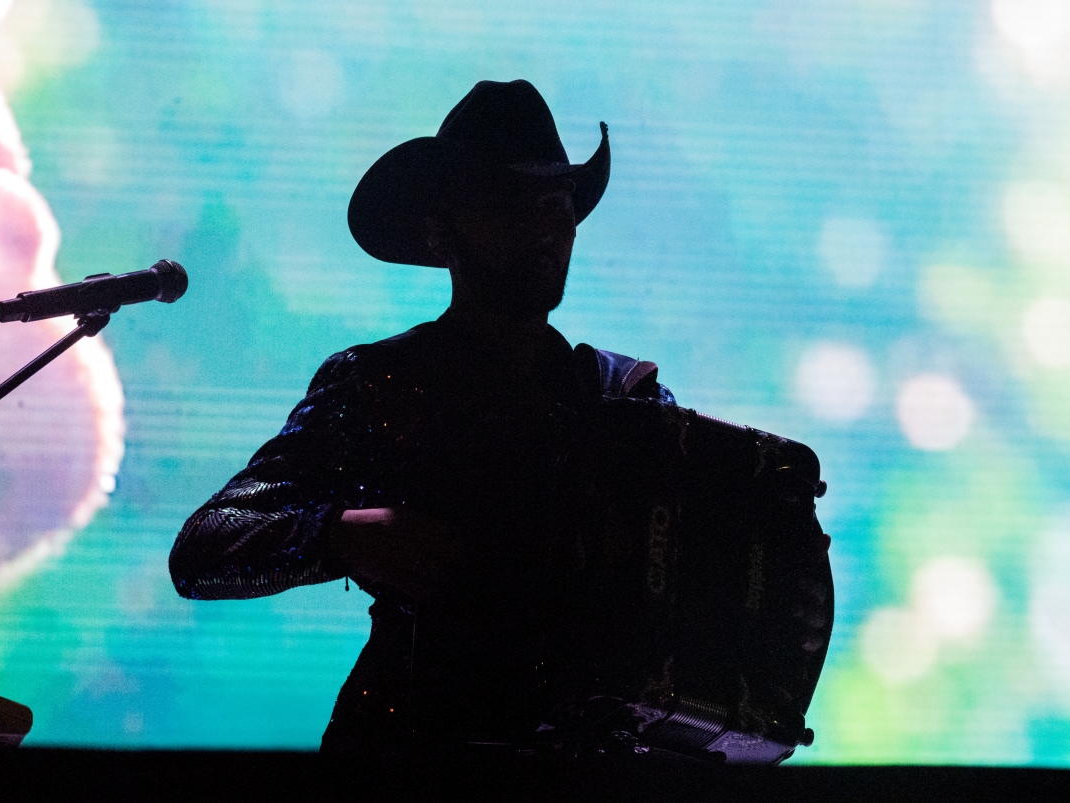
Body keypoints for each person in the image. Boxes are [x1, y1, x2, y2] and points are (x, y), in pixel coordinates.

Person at [168, 80, 828, 762]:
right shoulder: (374, 384)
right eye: (510, 204)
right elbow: (202, 550)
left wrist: (780, 612)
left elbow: (709, 582)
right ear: (440, 231)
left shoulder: (626, 402)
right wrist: (340, 534)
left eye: (556, 205)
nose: (544, 228)